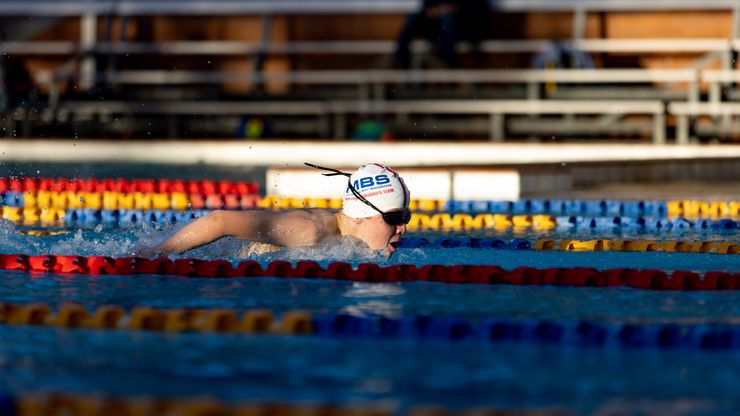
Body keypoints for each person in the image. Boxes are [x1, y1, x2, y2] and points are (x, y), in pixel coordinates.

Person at [143, 163, 411, 258]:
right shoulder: (310, 232)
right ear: (362, 214)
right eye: (395, 218)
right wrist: (155, 255)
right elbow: (220, 220)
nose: (403, 228)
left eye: (405, 217)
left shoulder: (343, 233)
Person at [394, 0, 492, 69]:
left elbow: (476, 9)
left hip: (467, 29)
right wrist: (435, 11)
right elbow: (427, 8)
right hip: (438, 29)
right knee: (413, 18)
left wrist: (450, 9)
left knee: (448, 19)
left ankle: (448, 62)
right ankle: (399, 58)